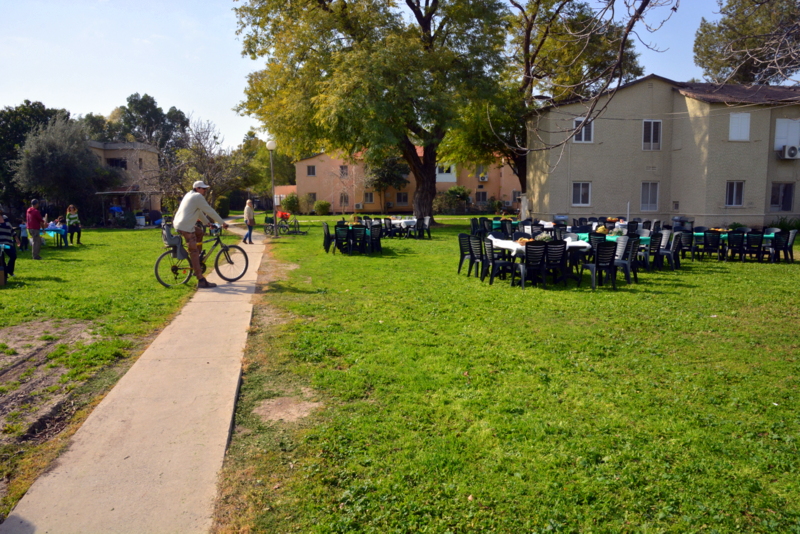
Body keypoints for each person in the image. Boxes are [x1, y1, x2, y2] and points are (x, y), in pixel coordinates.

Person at [173, 180, 229, 289]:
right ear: (197, 188)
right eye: (203, 188)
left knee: (200, 232)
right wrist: (223, 223)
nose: (205, 190)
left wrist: (208, 223)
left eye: (205, 189)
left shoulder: (189, 195)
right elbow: (210, 211)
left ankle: (197, 261)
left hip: (180, 224)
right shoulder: (197, 196)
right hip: (186, 227)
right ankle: (200, 279)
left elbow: (199, 212)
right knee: (193, 250)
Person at [0, 208, 21, 279]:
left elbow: (11, 229)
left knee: (13, 256)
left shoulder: (5, 218)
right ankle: (5, 275)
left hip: (8, 242)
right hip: (0, 243)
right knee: (1, 260)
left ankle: (9, 271)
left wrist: (16, 238)